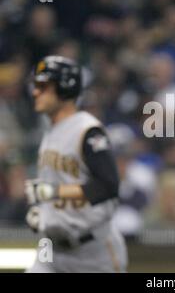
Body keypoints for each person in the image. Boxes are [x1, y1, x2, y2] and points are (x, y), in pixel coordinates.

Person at [25, 55, 128, 272]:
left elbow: (108, 186)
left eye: (43, 86)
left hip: (91, 252)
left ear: (65, 88)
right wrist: (43, 213)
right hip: (51, 250)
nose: (35, 92)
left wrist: (52, 192)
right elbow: (54, 187)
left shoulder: (87, 129)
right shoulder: (51, 130)